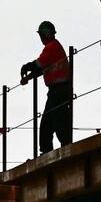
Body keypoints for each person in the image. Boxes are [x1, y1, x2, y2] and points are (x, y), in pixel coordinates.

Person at [20, 21, 71, 153]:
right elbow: (43, 67)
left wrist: (27, 66)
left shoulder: (51, 47)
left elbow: (38, 64)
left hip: (58, 91)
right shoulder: (55, 47)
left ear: (45, 34)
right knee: (54, 124)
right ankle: (59, 150)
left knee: (51, 124)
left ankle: (51, 152)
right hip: (60, 90)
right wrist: (29, 77)